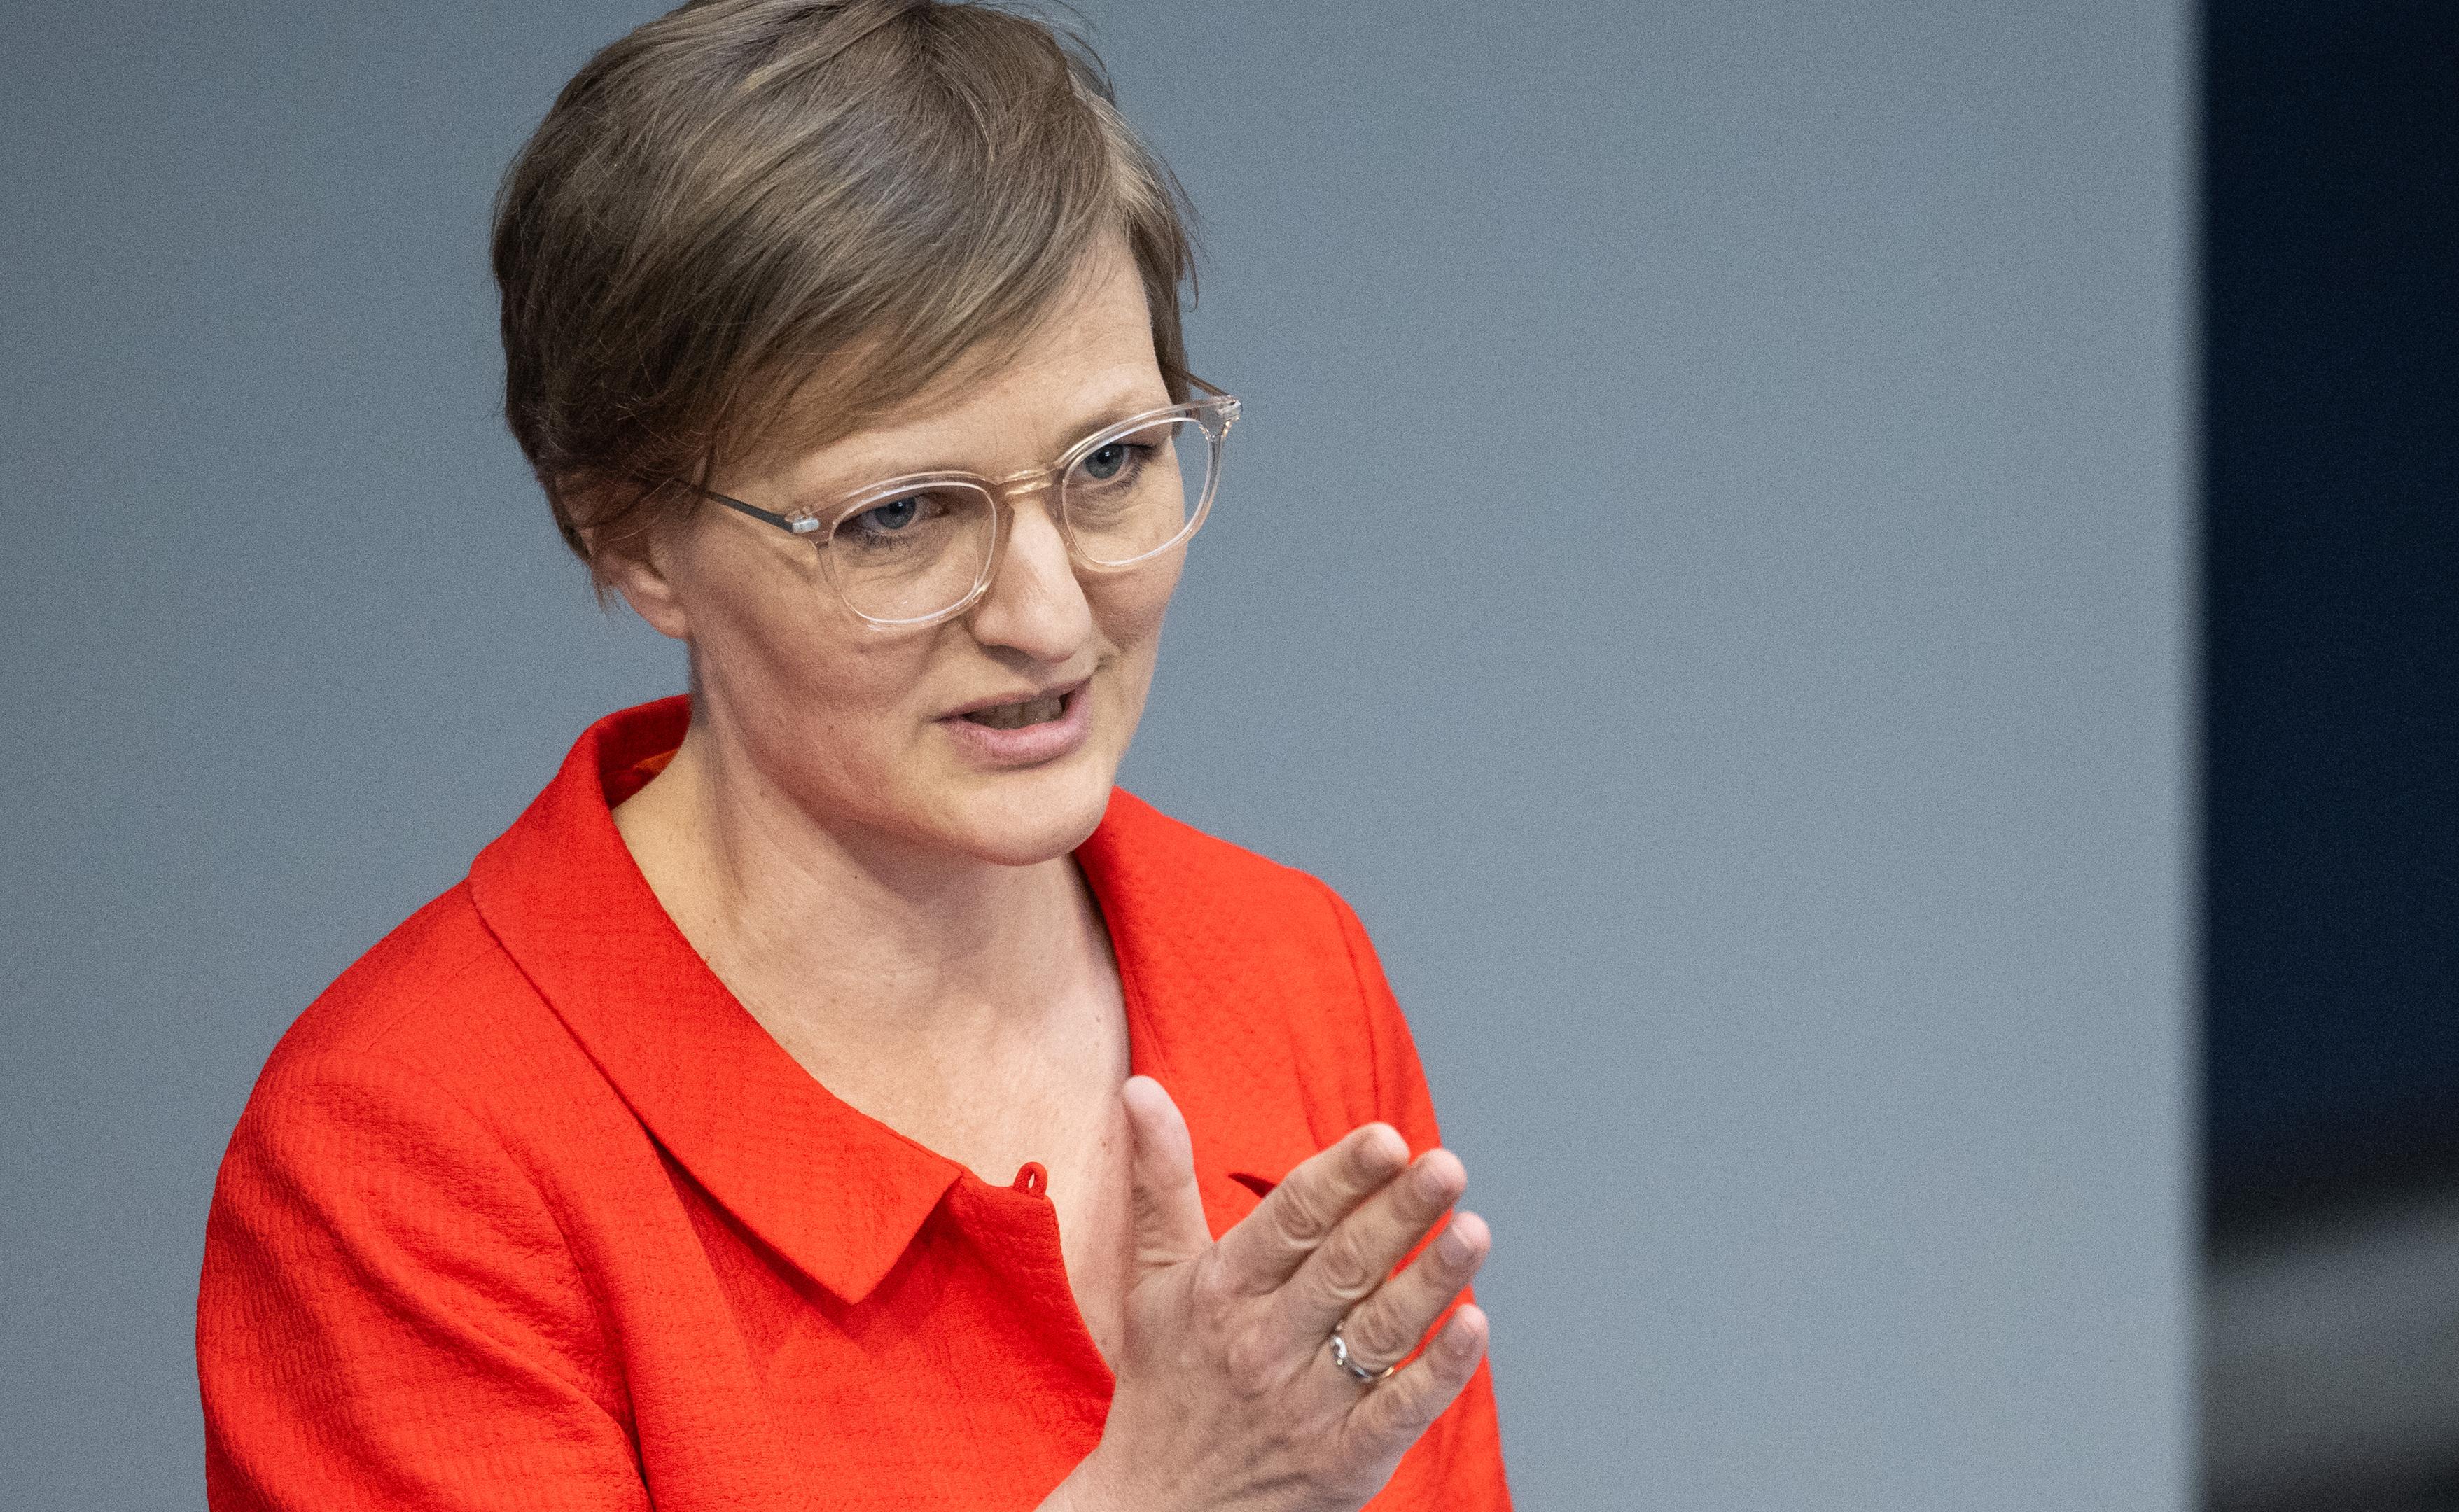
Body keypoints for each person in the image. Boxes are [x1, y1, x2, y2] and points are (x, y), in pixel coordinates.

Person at [192, 2, 1509, 1508]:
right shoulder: (409, 1156)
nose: (1046, 615)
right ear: (634, 537)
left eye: (1112, 463)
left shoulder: (1284, 965)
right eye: (896, 516)